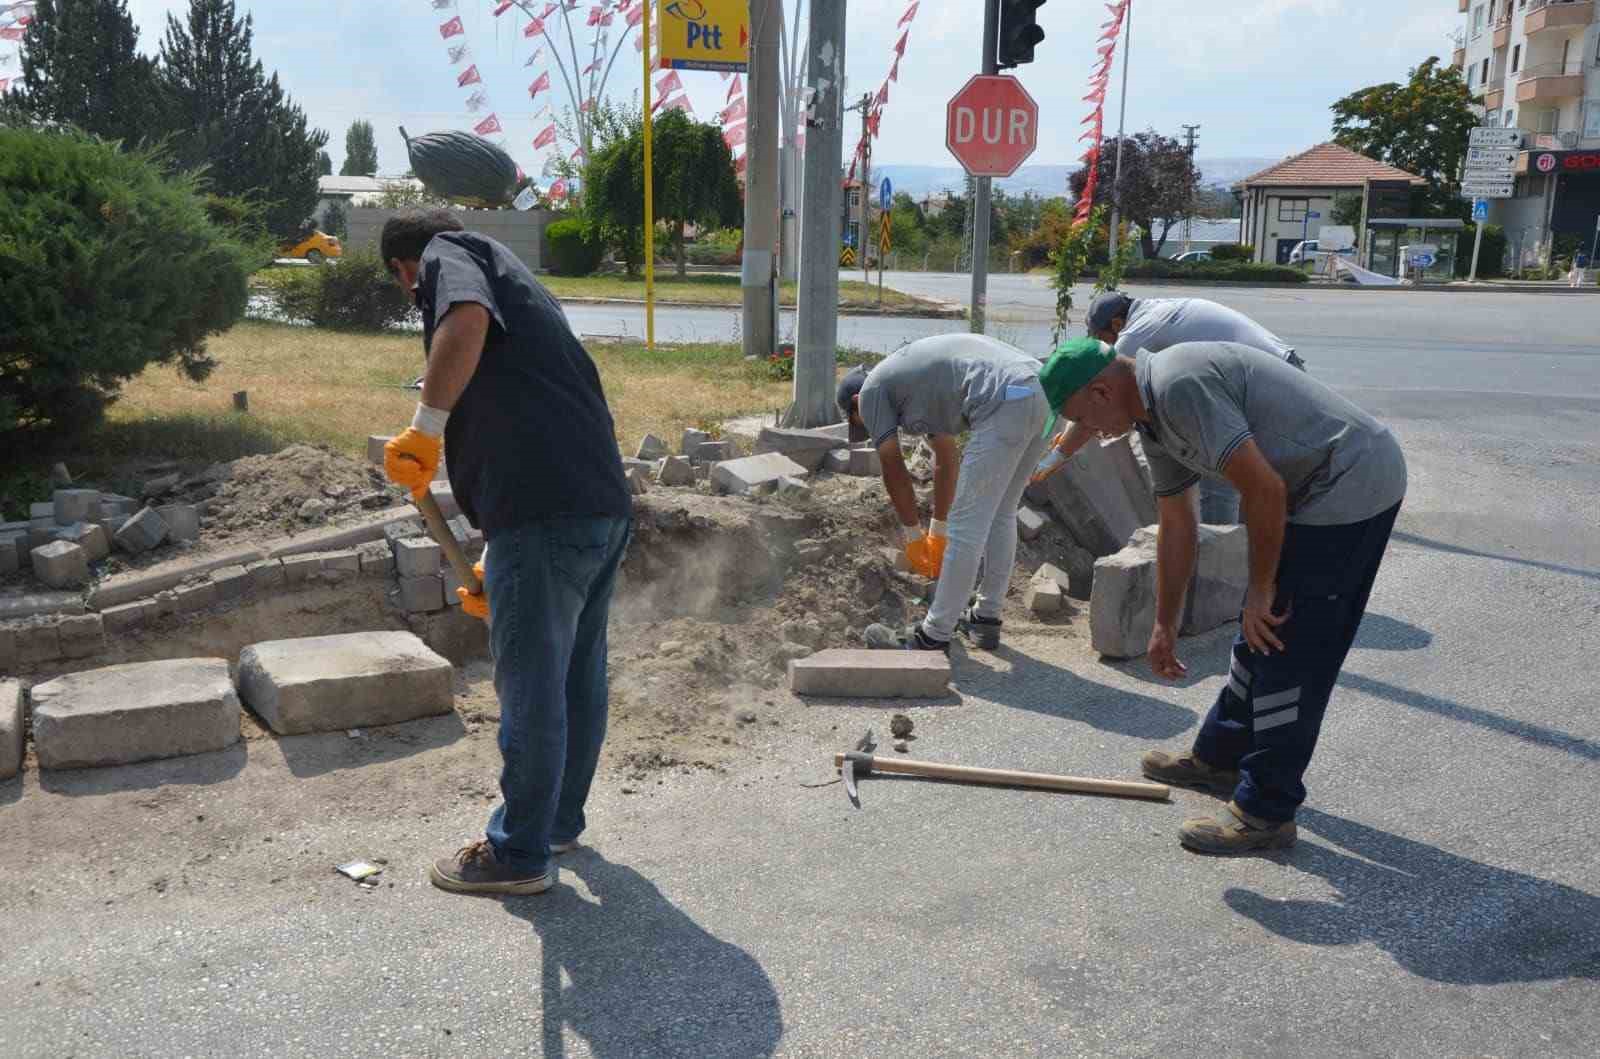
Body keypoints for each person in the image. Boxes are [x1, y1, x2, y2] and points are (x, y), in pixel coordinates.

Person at [1050, 338, 1407, 854]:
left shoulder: (1179, 387)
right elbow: (1178, 523)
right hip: (1302, 486)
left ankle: (1267, 810)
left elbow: (1265, 491)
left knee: (1288, 640)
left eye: (1080, 419)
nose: (1088, 434)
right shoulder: (1149, 417)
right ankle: (1220, 757)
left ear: (1102, 391)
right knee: (1258, 629)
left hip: (1349, 481)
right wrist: (1164, 623)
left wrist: (1259, 591)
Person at [380, 209, 633, 896]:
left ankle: (518, 852)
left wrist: (425, 429)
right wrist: (503, 555)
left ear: (406, 272)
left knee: (531, 686)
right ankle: (555, 821)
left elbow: (461, 320)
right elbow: (520, 408)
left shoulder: (445, 255)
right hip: (596, 503)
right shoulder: (512, 276)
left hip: (545, 513)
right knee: (577, 675)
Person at [838, 333, 1083, 653]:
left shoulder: (871, 392)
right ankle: (986, 617)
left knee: (966, 525)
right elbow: (946, 458)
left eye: (863, 423)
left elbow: (893, 469)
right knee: (1002, 511)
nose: (871, 429)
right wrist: (935, 530)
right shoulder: (918, 383)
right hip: (1042, 392)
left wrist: (913, 535)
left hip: (1007, 398)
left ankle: (933, 634)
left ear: (857, 402)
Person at [1033, 292, 1304, 523]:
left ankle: (1218, 564)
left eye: (1105, 340)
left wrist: (1056, 457)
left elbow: (1099, 402)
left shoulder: (1135, 334)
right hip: (1278, 372)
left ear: (1116, 323)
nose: (1107, 349)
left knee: (1219, 474)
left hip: (1267, 386)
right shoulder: (1157, 310)